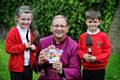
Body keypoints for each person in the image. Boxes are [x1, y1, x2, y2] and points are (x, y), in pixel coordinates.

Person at [34, 15, 81, 80]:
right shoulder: (42, 42)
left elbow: (76, 72)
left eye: (62, 26)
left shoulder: (74, 46)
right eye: (56, 26)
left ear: (67, 29)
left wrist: (61, 70)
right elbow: (35, 68)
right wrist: (40, 62)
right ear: (51, 28)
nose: (59, 29)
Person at [5, 5, 40, 80]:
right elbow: (8, 49)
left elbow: (37, 47)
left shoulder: (31, 32)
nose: (26, 22)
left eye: (28, 20)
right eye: (23, 19)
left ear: (31, 20)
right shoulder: (13, 32)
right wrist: (24, 46)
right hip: (16, 68)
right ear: (17, 18)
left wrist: (34, 48)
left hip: (28, 66)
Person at [78, 8, 111, 80]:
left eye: (95, 22)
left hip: (100, 68)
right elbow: (79, 50)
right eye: (90, 22)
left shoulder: (103, 36)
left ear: (99, 22)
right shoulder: (82, 36)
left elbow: (107, 52)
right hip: (86, 68)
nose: (92, 24)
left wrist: (96, 58)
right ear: (86, 22)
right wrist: (84, 55)